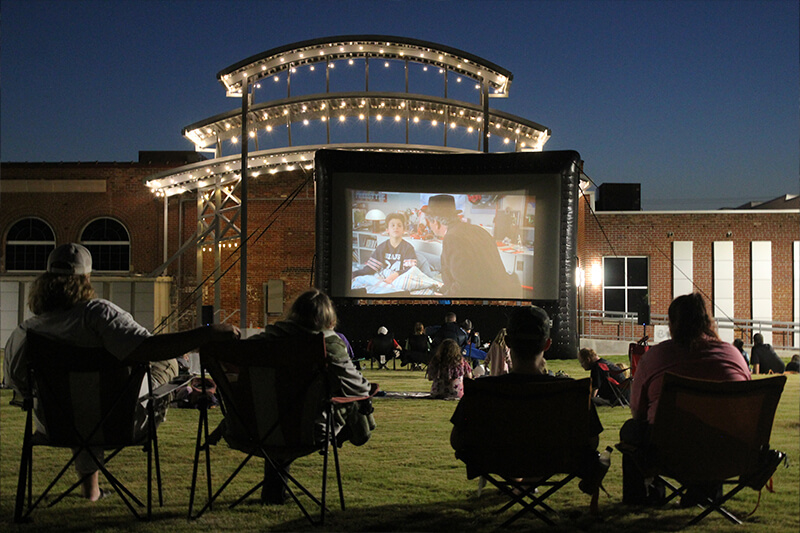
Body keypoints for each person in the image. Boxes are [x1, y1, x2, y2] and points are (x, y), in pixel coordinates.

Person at [3, 243, 240, 502]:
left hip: (57, 425)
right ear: (86, 279)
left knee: (80, 401)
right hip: (120, 422)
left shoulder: (28, 331)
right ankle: (178, 374)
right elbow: (149, 347)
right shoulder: (98, 315)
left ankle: (90, 490)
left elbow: (18, 385)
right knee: (166, 361)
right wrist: (206, 334)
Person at [450, 306, 607, 496]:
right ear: (547, 344)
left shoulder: (482, 389)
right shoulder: (571, 390)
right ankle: (528, 485)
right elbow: (592, 440)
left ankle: (519, 484)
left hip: (494, 459)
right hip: (556, 460)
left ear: (508, 342)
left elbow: (457, 439)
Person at [620, 292, 751, 506]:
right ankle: (704, 493)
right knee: (710, 431)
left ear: (672, 323)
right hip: (726, 452)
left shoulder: (656, 357)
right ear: (708, 321)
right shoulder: (734, 356)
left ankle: (645, 496)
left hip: (669, 452)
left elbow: (638, 412)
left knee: (632, 430)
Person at [249, 288, 376, 503]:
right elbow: (358, 389)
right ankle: (359, 434)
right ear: (327, 318)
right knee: (358, 398)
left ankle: (274, 492)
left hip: (256, 426)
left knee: (284, 412)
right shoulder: (329, 345)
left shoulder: (263, 342)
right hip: (309, 429)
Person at [422, 194, 521, 298]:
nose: (429, 226)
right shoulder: (478, 230)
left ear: (436, 222)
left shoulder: (452, 238)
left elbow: (464, 286)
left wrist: (444, 297)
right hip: (501, 294)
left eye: (429, 222)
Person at [352, 212, 417, 284]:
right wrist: (355, 274)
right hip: (383, 277)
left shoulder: (408, 248)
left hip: (400, 278)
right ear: (387, 230)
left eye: (399, 225)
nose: (396, 228)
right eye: (392, 225)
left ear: (403, 230)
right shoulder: (382, 247)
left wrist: (395, 275)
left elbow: (410, 270)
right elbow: (371, 268)